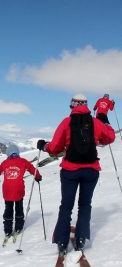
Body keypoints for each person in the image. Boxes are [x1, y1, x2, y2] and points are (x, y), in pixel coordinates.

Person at [37, 93, 115, 256]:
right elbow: (110, 137)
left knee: (66, 206)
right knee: (85, 205)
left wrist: (44, 146)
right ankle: (81, 239)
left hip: (70, 171)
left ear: (72, 105)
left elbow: (55, 148)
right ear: (86, 105)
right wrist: (104, 119)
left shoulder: (66, 122)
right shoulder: (95, 122)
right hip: (91, 170)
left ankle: (62, 242)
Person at [0, 144, 42, 241]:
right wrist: (38, 177)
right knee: (19, 207)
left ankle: (8, 230)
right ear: (18, 153)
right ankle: (18, 227)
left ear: (8, 154)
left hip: (7, 190)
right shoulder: (23, 161)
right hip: (19, 189)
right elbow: (33, 170)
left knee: (8, 208)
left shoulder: (5, 163)